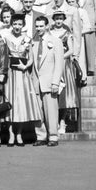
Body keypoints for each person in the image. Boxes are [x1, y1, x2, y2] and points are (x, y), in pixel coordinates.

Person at [2, 14, 41, 146]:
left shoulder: (27, 39)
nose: (17, 26)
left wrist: (25, 66)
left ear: (23, 25)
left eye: (19, 24)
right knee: (10, 101)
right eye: (15, 24)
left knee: (21, 103)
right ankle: (11, 134)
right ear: (11, 24)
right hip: (10, 72)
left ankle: (19, 134)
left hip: (23, 73)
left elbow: (31, 57)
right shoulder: (6, 38)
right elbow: (4, 56)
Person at [30, 16, 64, 147]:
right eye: (37, 26)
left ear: (47, 26)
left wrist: (55, 82)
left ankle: (53, 136)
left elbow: (59, 64)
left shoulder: (56, 41)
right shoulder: (34, 42)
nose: (39, 29)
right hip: (36, 81)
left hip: (49, 81)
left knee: (51, 110)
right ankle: (41, 135)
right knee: (38, 110)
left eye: (41, 26)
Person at [50, 11, 79, 135]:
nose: (58, 21)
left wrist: (60, 57)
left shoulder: (67, 33)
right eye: (56, 18)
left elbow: (71, 50)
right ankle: (53, 121)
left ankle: (62, 121)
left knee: (64, 95)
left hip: (64, 64)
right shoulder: (49, 32)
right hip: (51, 64)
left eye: (61, 19)